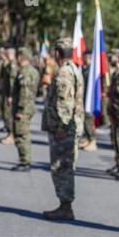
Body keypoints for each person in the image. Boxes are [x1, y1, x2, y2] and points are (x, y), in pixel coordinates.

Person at [42, 38, 85, 220]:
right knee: (66, 166)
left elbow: (65, 103)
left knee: (62, 167)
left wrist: (61, 127)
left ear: (58, 53)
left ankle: (65, 207)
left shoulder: (64, 73)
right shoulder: (73, 69)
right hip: (71, 126)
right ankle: (65, 205)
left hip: (64, 128)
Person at [11, 47, 40, 172]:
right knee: (23, 133)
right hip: (28, 106)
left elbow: (25, 92)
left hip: (24, 107)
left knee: (22, 134)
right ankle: (24, 160)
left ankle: (25, 161)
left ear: (21, 57)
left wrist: (20, 109)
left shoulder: (25, 72)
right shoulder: (32, 71)